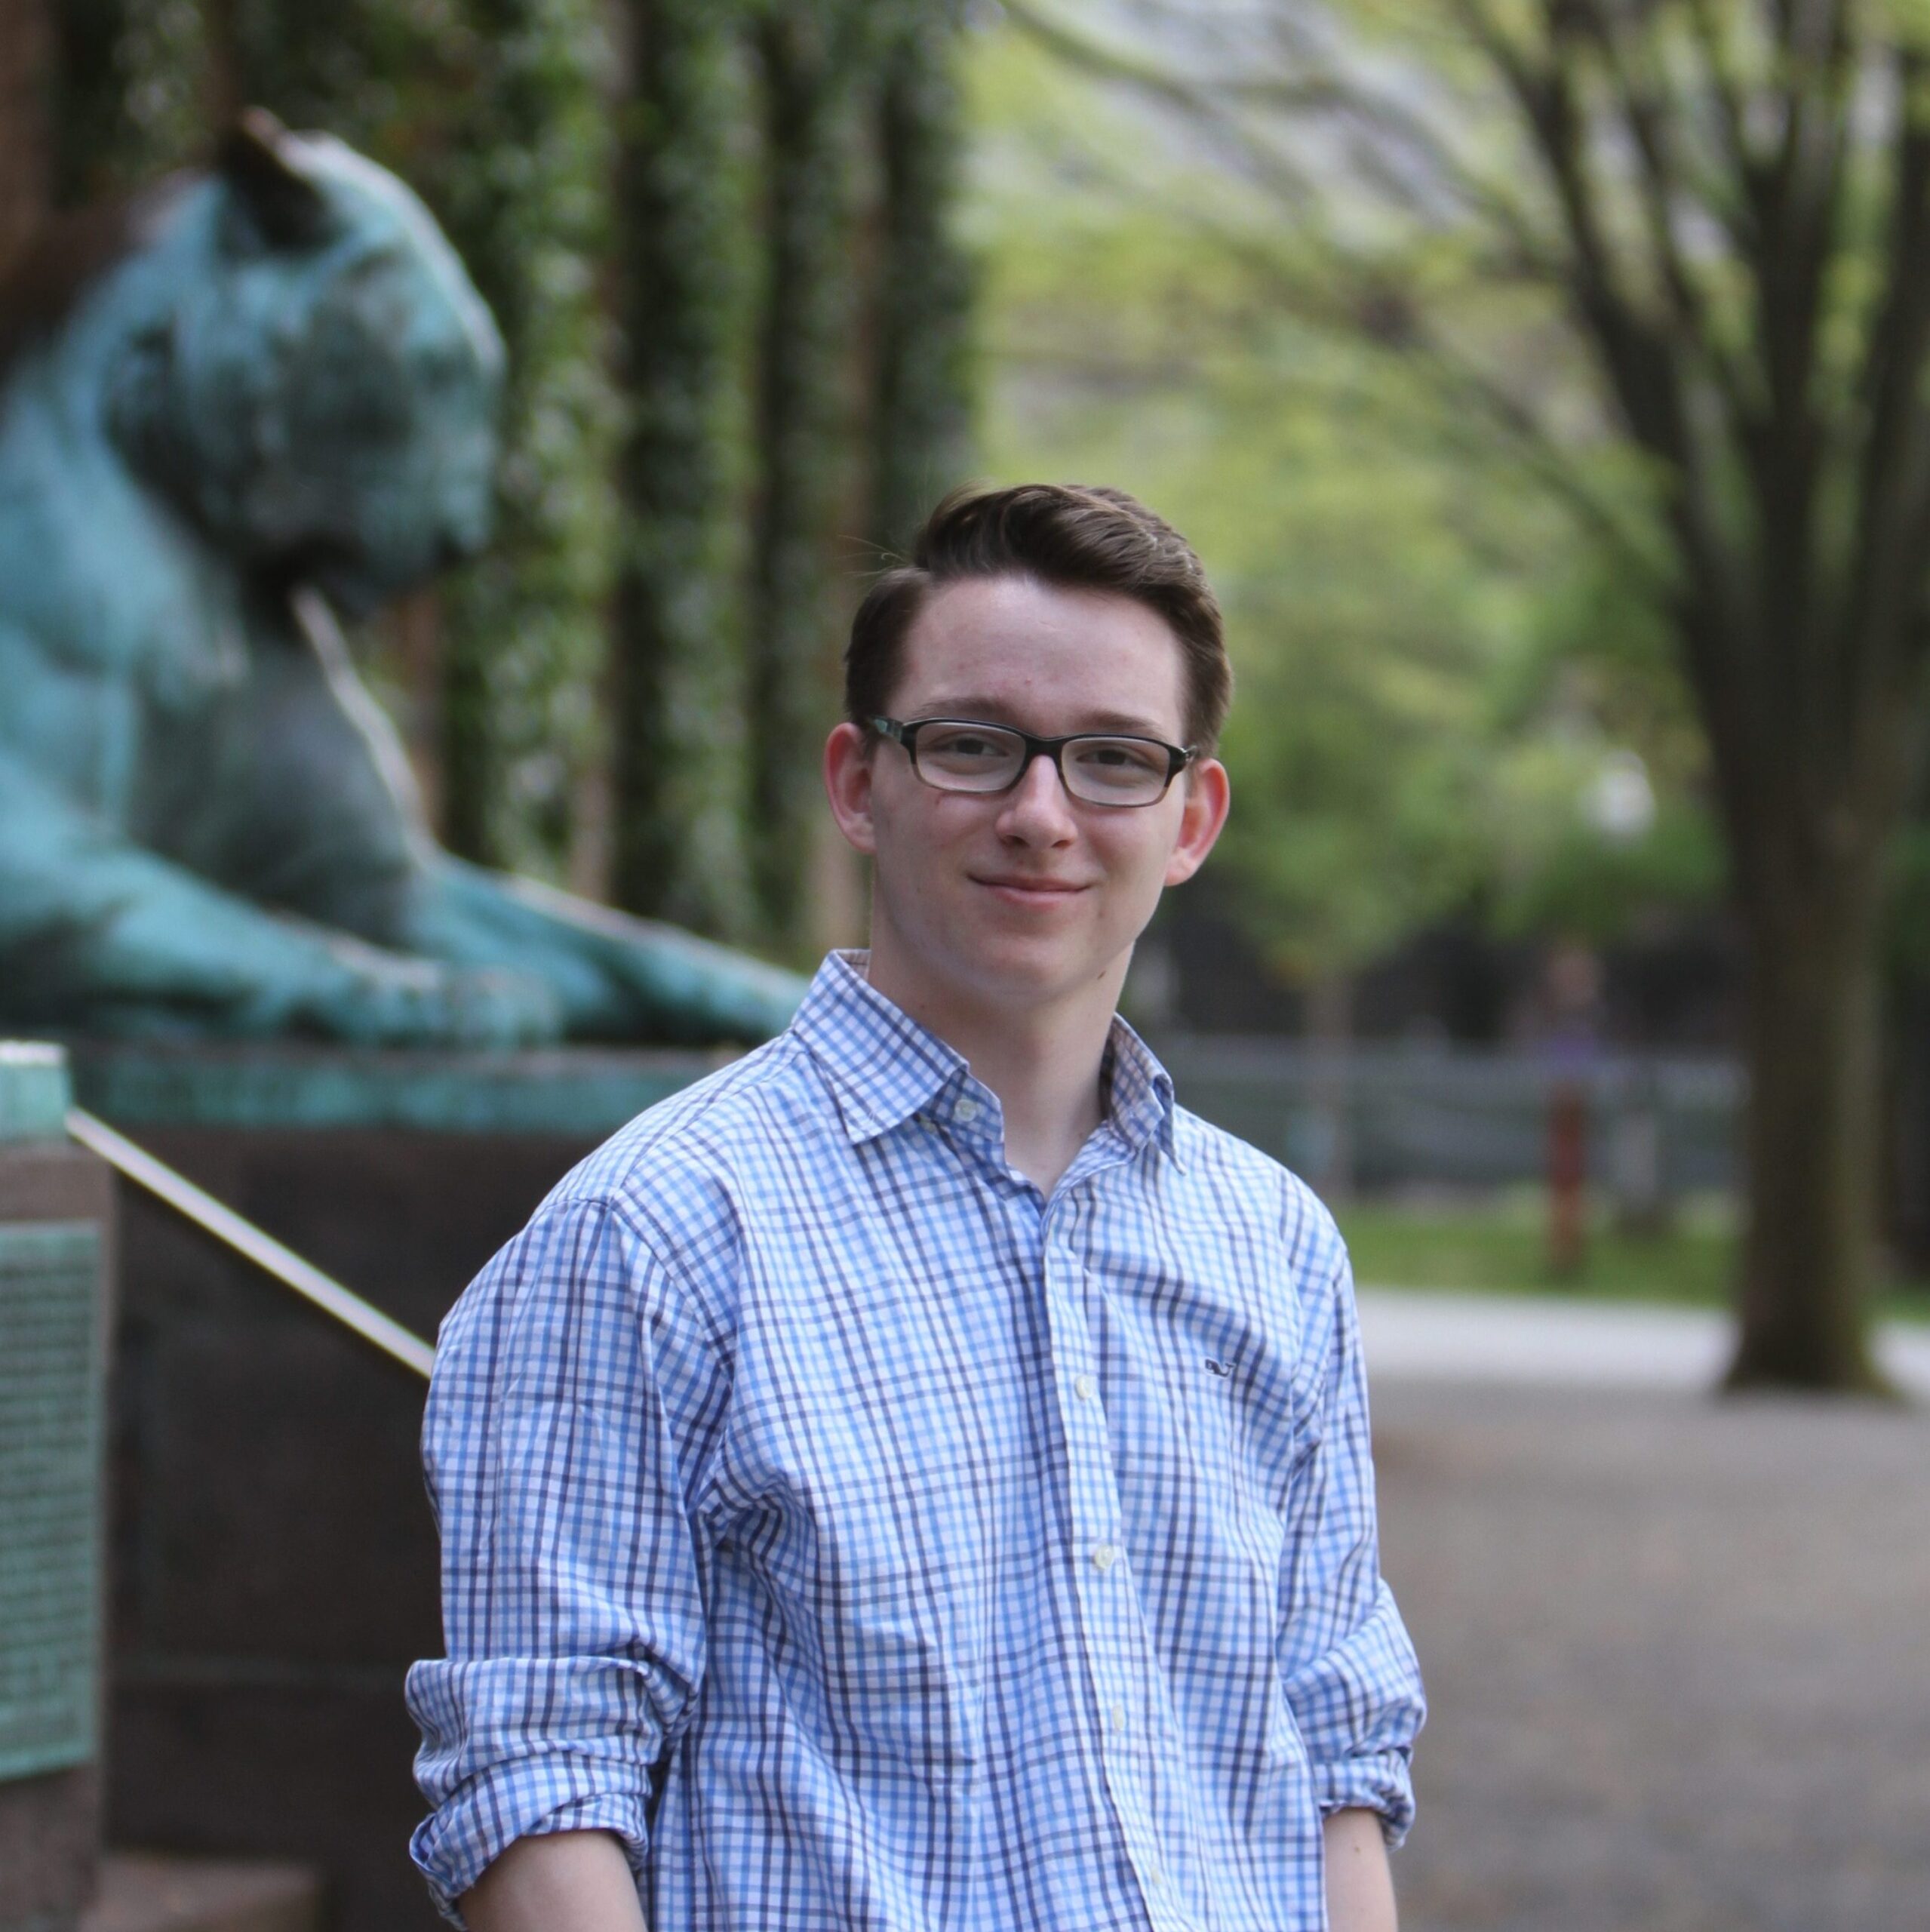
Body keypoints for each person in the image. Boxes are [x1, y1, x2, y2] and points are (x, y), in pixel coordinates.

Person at [407, 483, 1425, 1931]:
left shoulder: (1271, 1247)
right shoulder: (647, 1237)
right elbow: (540, 1793)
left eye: (1113, 761)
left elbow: (1334, 1759)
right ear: (855, 782)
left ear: (1190, 817)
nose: (1038, 813)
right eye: (969, 745)